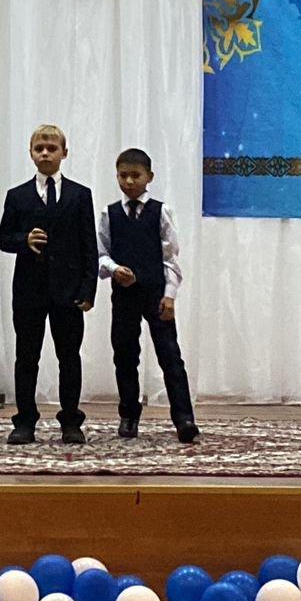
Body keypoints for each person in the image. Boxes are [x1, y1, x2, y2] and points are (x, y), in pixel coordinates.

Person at [0, 124, 97, 445]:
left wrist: (88, 290)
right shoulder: (17, 195)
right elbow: (2, 238)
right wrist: (23, 240)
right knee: (27, 358)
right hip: (29, 291)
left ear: (64, 153)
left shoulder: (80, 195)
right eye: (39, 148)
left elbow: (89, 246)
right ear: (30, 153)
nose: (45, 153)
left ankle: (71, 421)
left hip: (69, 292)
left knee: (69, 357)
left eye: (52, 148)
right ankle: (25, 421)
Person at [99, 148, 200, 444]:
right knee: (125, 355)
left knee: (170, 356)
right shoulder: (109, 214)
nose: (129, 181)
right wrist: (115, 269)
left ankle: (184, 418)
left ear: (149, 177)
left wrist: (170, 295)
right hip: (124, 296)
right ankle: (129, 415)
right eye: (123, 176)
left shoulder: (161, 211)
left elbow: (171, 257)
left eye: (135, 175)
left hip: (156, 294)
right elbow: (101, 253)